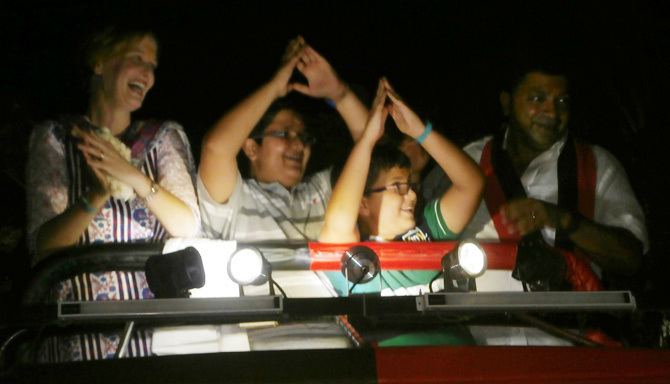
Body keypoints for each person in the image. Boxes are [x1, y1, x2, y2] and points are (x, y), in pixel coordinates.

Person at [26, 25, 199, 360]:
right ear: (99, 63)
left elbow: (188, 226)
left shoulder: (163, 138)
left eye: (153, 66)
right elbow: (43, 248)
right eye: (137, 59)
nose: (148, 73)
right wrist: (97, 194)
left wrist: (130, 174)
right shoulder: (57, 139)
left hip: (156, 338)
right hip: (78, 340)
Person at [424, 61, 649, 293]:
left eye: (562, 101)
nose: (552, 112)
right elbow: (418, 234)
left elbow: (631, 260)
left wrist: (562, 220)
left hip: (568, 328)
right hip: (477, 326)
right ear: (507, 103)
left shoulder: (597, 164)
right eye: (537, 99)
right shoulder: (466, 160)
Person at [319, 78, 485, 295]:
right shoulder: (353, 260)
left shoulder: (428, 230)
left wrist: (420, 132)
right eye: (398, 186)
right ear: (362, 203)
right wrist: (368, 139)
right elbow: (340, 217)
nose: (412, 195)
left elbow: (472, 184)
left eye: (410, 185)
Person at [198, 36, 368, 241]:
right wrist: (274, 87)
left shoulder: (322, 190)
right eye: (284, 134)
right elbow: (215, 148)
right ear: (252, 148)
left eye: (304, 137)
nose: (299, 145)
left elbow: (373, 147)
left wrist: (340, 94)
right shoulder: (234, 199)